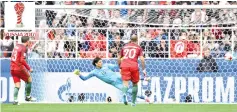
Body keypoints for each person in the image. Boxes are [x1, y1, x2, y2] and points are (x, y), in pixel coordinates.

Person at [73, 57, 149, 102]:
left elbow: (116, 66)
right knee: (130, 92)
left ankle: (144, 78)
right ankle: (146, 99)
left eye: (101, 61)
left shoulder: (106, 65)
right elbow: (84, 79)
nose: (101, 63)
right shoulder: (94, 72)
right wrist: (79, 74)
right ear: (96, 64)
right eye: (100, 62)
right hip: (116, 84)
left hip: (118, 77)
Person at [118, 35, 146, 106]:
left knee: (125, 83)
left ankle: (124, 94)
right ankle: (133, 102)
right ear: (137, 40)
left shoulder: (124, 47)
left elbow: (118, 58)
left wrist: (120, 67)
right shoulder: (138, 47)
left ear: (130, 40)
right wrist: (144, 69)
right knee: (135, 84)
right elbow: (142, 59)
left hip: (124, 65)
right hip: (134, 66)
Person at [10, 36, 36, 105]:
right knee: (29, 79)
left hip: (12, 68)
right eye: (29, 41)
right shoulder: (24, 48)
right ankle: (28, 97)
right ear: (27, 41)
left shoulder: (17, 46)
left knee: (17, 85)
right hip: (19, 68)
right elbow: (22, 60)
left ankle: (15, 100)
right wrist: (29, 68)